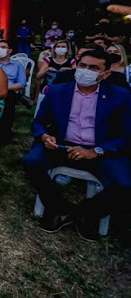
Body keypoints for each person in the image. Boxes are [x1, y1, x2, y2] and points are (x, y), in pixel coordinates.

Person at [23, 49, 131, 241]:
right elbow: (38, 122)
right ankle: (58, 208)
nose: (86, 71)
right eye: (82, 66)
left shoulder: (120, 96)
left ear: (105, 74)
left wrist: (97, 151)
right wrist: (45, 136)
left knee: (125, 185)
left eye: (93, 68)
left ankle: (85, 213)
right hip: (62, 146)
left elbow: (126, 135)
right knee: (31, 162)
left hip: (100, 150)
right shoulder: (58, 91)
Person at [0, 40, 27, 143]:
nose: (0, 50)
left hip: (9, 90)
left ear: (10, 50)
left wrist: (4, 88)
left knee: (9, 100)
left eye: (3, 47)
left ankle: (5, 135)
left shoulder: (17, 65)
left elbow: (22, 83)